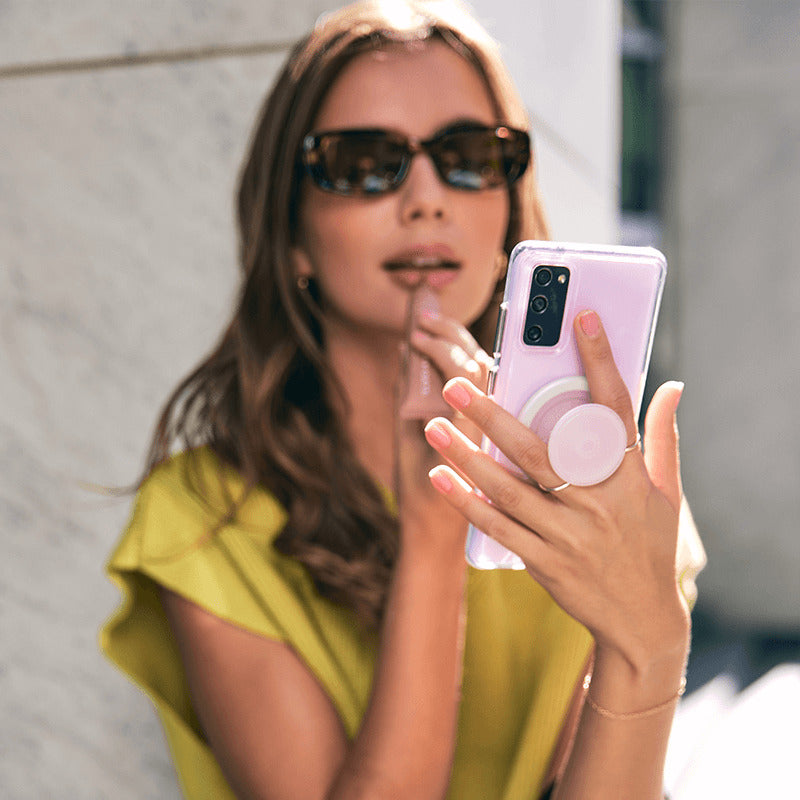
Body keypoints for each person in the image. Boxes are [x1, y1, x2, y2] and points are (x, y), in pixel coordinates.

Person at [101, 1, 704, 798]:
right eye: (363, 163)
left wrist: (648, 649)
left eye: (468, 156)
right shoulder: (200, 519)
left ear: (505, 221)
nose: (426, 197)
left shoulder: (595, 498)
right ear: (291, 233)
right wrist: (432, 539)